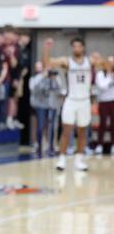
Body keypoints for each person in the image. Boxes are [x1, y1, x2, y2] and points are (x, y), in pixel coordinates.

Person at [43, 37, 93, 171]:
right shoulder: (67, 61)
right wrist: (47, 48)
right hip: (71, 100)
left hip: (85, 100)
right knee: (66, 131)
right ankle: (61, 159)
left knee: (82, 132)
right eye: (74, 46)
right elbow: (48, 63)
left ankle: (79, 160)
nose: (76, 49)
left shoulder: (90, 61)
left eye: (79, 46)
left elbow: (108, 65)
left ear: (83, 48)